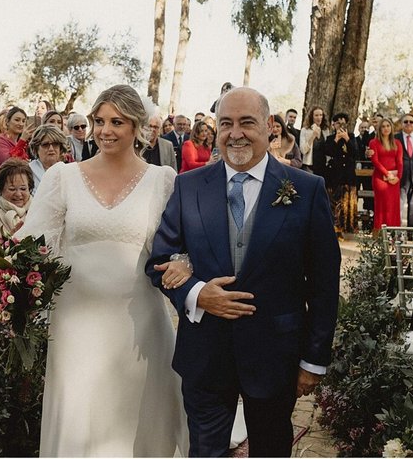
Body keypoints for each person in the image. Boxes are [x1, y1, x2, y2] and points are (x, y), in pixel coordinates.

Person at [147, 87, 341, 457]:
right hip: (205, 353)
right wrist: (196, 293)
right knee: (205, 451)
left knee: (270, 448)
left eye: (246, 123)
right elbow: (160, 258)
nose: (235, 133)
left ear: (269, 127)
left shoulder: (306, 189)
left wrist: (313, 359)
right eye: (226, 123)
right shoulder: (189, 186)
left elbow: (323, 283)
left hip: (275, 353)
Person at [20, 84, 190, 456]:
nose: (104, 130)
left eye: (117, 121)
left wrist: (182, 266)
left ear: (136, 127)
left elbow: (179, 247)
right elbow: (32, 246)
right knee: (79, 414)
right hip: (75, 323)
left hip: (140, 320)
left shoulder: (163, 179)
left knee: (136, 419)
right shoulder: (62, 177)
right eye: (98, 121)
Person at [315, 113, 359, 234]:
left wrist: (347, 139)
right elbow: (328, 152)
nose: (340, 125)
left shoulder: (351, 136)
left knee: (347, 201)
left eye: (343, 123)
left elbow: (355, 153)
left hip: (348, 175)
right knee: (335, 202)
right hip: (334, 175)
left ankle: (348, 227)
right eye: (338, 123)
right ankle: (335, 228)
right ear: (333, 125)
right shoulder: (330, 138)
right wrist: (336, 139)